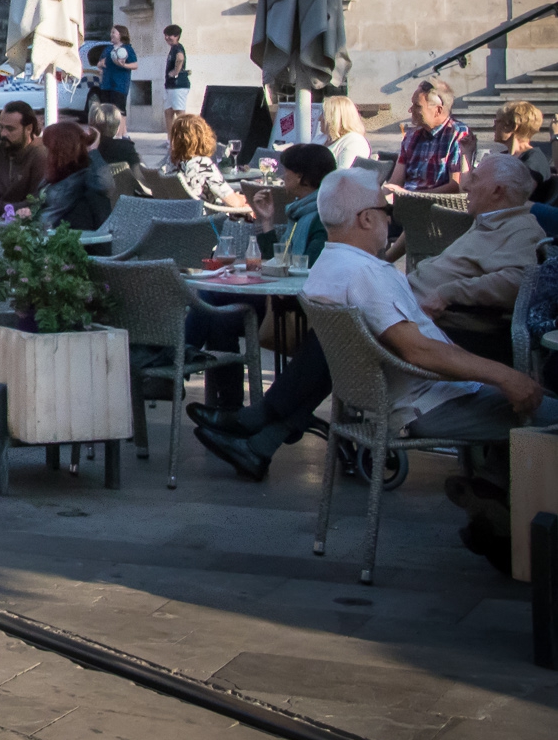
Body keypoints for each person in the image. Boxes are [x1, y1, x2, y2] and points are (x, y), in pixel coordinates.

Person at [189, 167, 558, 545]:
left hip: (419, 374)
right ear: (366, 218)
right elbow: (418, 350)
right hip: (436, 399)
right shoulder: (368, 276)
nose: (390, 221)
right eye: (386, 212)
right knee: (551, 421)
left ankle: (495, 506)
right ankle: (524, 534)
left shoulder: (327, 270)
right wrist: (506, 376)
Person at [410, 153, 545, 364]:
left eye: (475, 178)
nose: (465, 186)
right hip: (412, 309)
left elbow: (519, 281)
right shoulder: (486, 221)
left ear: (497, 190)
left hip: (441, 329)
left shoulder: (521, 228)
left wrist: (448, 293)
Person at [386, 77, 472, 196]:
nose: (410, 110)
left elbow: (455, 185)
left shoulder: (456, 133)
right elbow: (396, 181)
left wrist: (411, 195)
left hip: (436, 207)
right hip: (404, 202)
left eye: (417, 106)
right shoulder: (411, 135)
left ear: (437, 110)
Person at [258, 142, 335, 267]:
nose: (283, 176)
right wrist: (267, 221)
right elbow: (277, 261)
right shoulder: (301, 211)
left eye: (286, 170)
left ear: (299, 176)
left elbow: (307, 267)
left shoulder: (321, 218)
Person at [165, 112, 253, 217]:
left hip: (184, 216)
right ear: (203, 136)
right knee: (255, 209)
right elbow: (234, 203)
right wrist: (246, 199)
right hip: (207, 219)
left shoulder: (172, 162)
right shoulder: (202, 164)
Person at [38, 122, 111, 231]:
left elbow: (105, 185)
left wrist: (93, 151)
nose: (46, 152)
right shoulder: (55, 172)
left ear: (60, 150)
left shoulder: (83, 176)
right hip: (37, 232)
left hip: (57, 237)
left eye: (49, 149)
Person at [493, 100, 550, 196]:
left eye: (497, 121)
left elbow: (518, 195)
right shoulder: (504, 156)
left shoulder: (534, 158)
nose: (494, 126)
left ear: (513, 126)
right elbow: (467, 187)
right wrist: (467, 152)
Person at [322, 94, 371, 171]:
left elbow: (344, 177)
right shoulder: (322, 138)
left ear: (335, 119)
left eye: (323, 115)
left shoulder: (354, 142)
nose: (319, 119)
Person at [88, 101, 140, 168]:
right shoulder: (126, 147)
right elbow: (138, 175)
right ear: (117, 126)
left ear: (91, 128)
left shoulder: (87, 151)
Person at [98, 25, 138, 111]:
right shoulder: (108, 49)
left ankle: (122, 125)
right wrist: (100, 64)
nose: (111, 34)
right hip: (106, 85)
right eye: (111, 32)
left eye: (113, 32)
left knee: (119, 111)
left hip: (119, 86)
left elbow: (135, 65)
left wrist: (124, 65)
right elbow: (99, 64)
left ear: (121, 34)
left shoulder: (127, 49)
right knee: (105, 111)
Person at [161, 24, 190, 129]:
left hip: (178, 85)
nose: (167, 38)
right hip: (170, 85)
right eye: (166, 35)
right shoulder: (173, 48)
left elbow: (180, 58)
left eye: (170, 35)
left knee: (179, 113)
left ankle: (185, 138)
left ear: (177, 36)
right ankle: (170, 140)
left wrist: (175, 72)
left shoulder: (178, 47)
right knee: (168, 112)